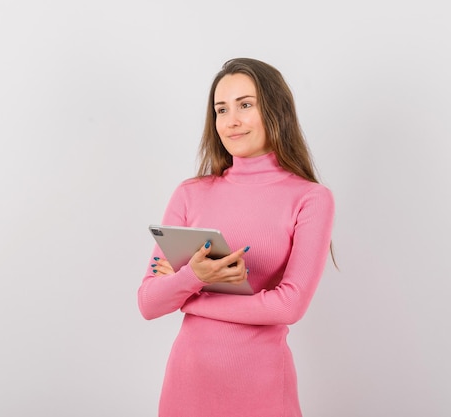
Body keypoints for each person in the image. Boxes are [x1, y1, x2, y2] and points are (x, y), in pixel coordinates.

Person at [137, 57, 335, 417]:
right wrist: (196, 276)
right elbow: (149, 301)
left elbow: (289, 305)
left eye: (245, 105)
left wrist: (191, 295)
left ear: (276, 111)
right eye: (221, 109)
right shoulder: (190, 193)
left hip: (262, 389)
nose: (231, 121)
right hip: (188, 385)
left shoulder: (310, 198)